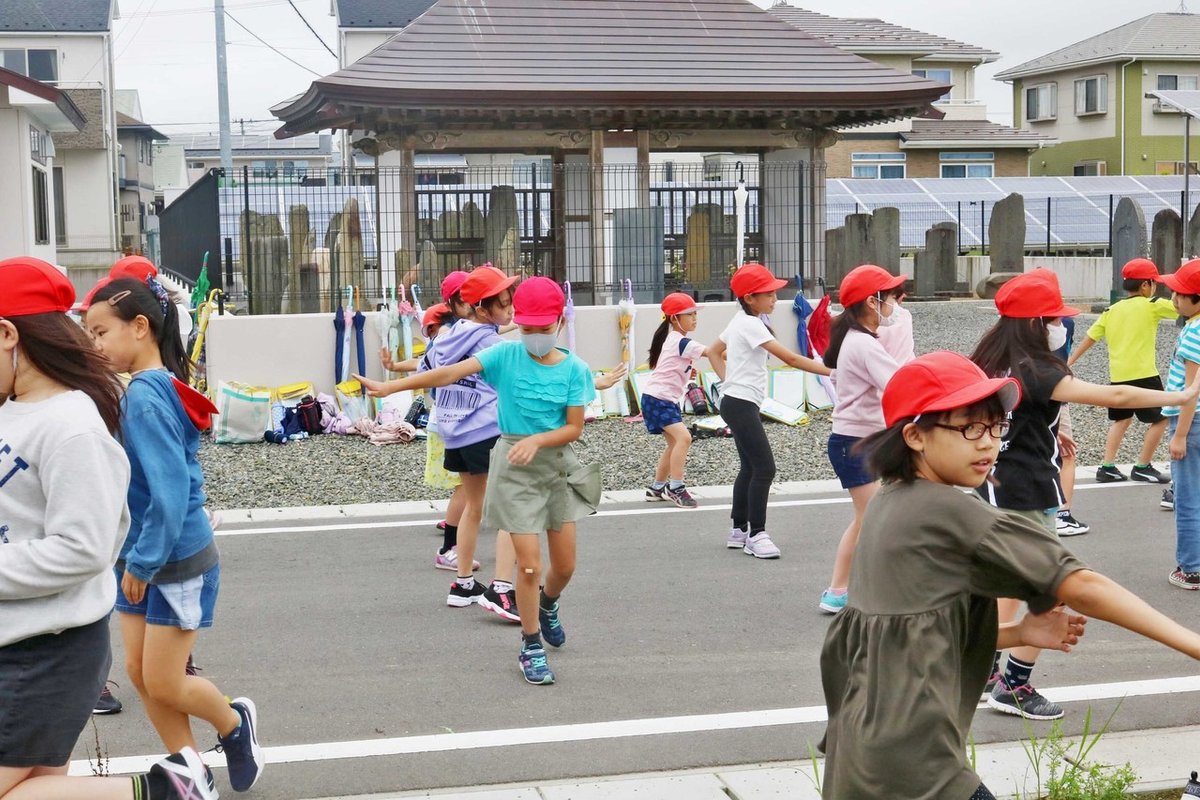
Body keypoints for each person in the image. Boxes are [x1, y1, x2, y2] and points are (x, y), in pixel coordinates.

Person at [819, 350, 1200, 800]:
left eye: (997, 427)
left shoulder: (891, 499)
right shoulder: (950, 510)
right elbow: (1082, 585)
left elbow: (910, 636)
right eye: (970, 428)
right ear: (915, 436)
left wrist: (1018, 630)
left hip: (862, 752)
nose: (988, 443)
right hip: (915, 768)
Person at [0, 256, 219, 800]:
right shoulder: (15, 409)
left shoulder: (75, 425)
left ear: (7, 334)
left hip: (46, 649)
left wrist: (143, 563)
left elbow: (86, 546)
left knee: (158, 678)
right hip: (24, 639)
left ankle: (168, 786)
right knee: (42, 785)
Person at [970, 267, 1198, 720]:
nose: (1061, 326)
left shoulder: (990, 357)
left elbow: (1010, 419)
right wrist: (1182, 395)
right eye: (1054, 318)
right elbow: (1113, 396)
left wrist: (1049, 433)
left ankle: (982, 670)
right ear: (1036, 324)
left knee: (1000, 584)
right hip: (1026, 491)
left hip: (991, 485)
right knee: (1050, 587)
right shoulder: (1037, 369)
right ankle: (1013, 685)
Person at [358, 277, 599, 685]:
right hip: (514, 466)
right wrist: (390, 386)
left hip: (555, 465)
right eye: (527, 329)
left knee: (564, 567)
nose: (535, 337)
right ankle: (531, 644)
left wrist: (540, 439)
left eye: (544, 329)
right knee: (528, 567)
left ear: (560, 322)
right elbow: (446, 374)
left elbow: (573, 428)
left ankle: (548, 604)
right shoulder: (504, 355)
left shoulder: (575, 369)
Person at [86, 277, 264, 792]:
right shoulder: (148, 387)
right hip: (144, 553)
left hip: (172, 558)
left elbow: (167, 492)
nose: (94, 344)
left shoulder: (144, 396)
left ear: (140, 327)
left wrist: (140, 563)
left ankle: (234, 724)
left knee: (161, 678)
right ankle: (190, 768)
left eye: (101, 332)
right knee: (142, 674)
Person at [706, 263, 832, 559]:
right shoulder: (750, 324)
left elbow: (713, 351)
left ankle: (739, 530)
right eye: (769, 293)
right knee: (765, 468)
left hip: (735, 402)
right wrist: (833, 372)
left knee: (749, 467)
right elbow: (790, 358)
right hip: (740, 404)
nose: (775, 298)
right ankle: (756, 534)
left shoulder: (740, 320)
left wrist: (729, 381)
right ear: (750, 297)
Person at [819, 264, 908, 613]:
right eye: (889, 297)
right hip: (856, 444)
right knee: (876, 520)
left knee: (867, 519)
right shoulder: (863, 344)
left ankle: (839, 590)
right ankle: (864, 591)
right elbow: (899, 385)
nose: (894, 304)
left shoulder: (857, 339)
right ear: (872, 302)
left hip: (858, 441)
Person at [1068, 257, 1177, 487]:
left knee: (1121, 420)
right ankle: (1142, 466)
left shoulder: (1112, 310)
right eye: (1154, 283)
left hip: (1118, 376)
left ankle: (1107, 467)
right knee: (1161, 419)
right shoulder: (1153, 305)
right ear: (1146, 285)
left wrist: (1069, 362)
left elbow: (1090, 338)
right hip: (1145, 375)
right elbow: (1181, 308)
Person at [641, 292, 711, 509]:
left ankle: (657, 488)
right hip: (659, 399)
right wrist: (738, 350)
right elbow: (711, 352)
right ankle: (676, 488)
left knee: (673, 444)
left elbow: (670, 365)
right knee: (685, 438)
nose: (694, 318)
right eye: (689, 314)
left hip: (658, 398)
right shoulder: (682, 341)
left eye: (695, 314)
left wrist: (686, 371)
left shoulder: (674, 340)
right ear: (674, 319)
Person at [1158, 259, 1200, 590]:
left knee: (1187, 496)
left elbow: (1190, 393)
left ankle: (1192, 568)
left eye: (1180, 293)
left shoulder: (1194, 333)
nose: (1173, 297)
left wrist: (1181, 435)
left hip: (1192, 421)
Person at [1052, 316, 1089, 536]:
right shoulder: (1066, 323)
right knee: (1066, 454)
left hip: (1022, 399)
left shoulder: (1010, 327)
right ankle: (1062, 514)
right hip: (1057, 395)